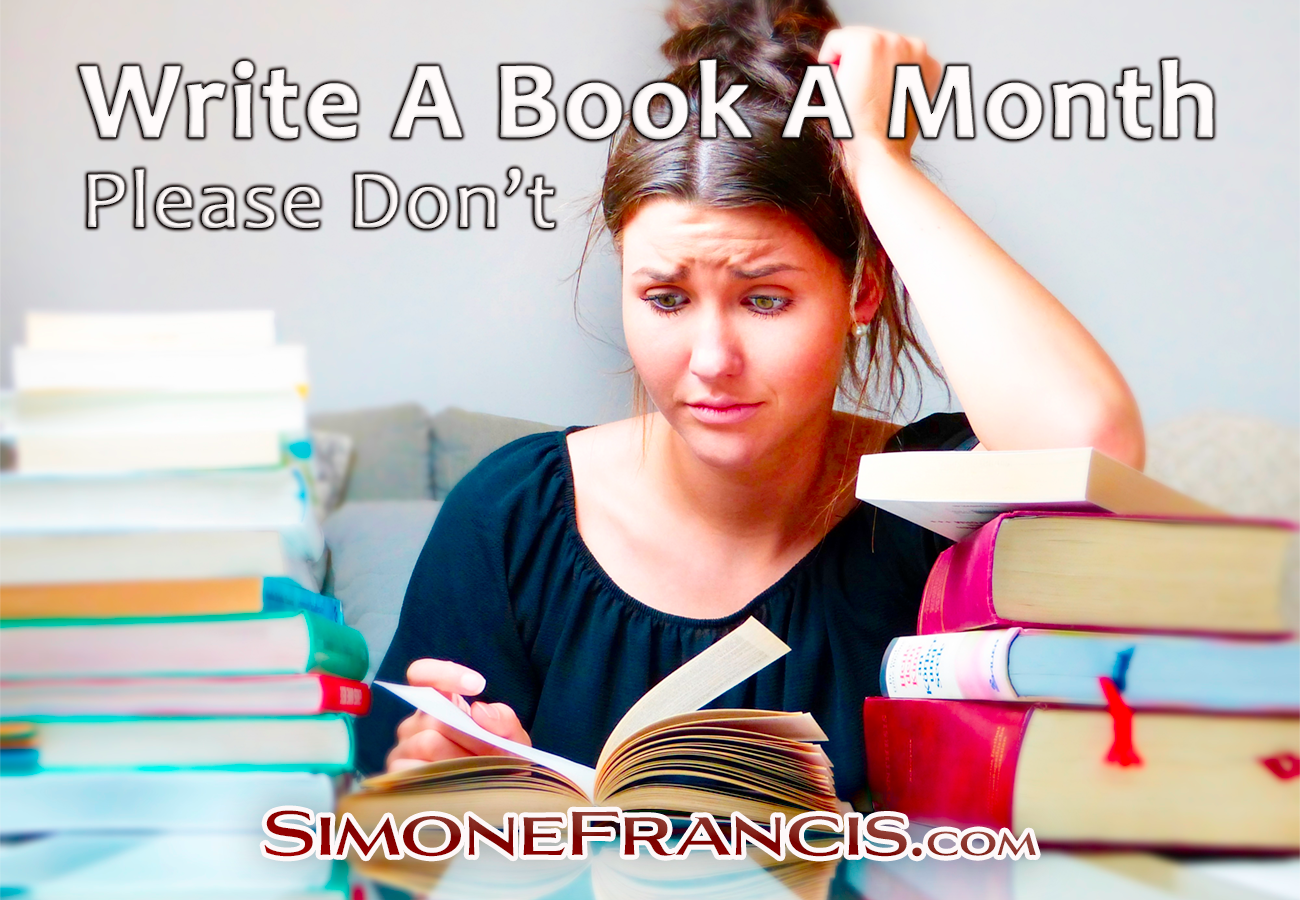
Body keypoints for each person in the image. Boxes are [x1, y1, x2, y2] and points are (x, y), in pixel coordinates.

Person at [355, 0, 1143, 808]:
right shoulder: (510, 515)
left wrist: (874, 157)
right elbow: (392, 847)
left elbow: (1093, 444)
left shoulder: (928, 511)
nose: (711, 361)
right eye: (665, 299)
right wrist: (440, 791)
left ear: (862, 290)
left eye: (765, 300)